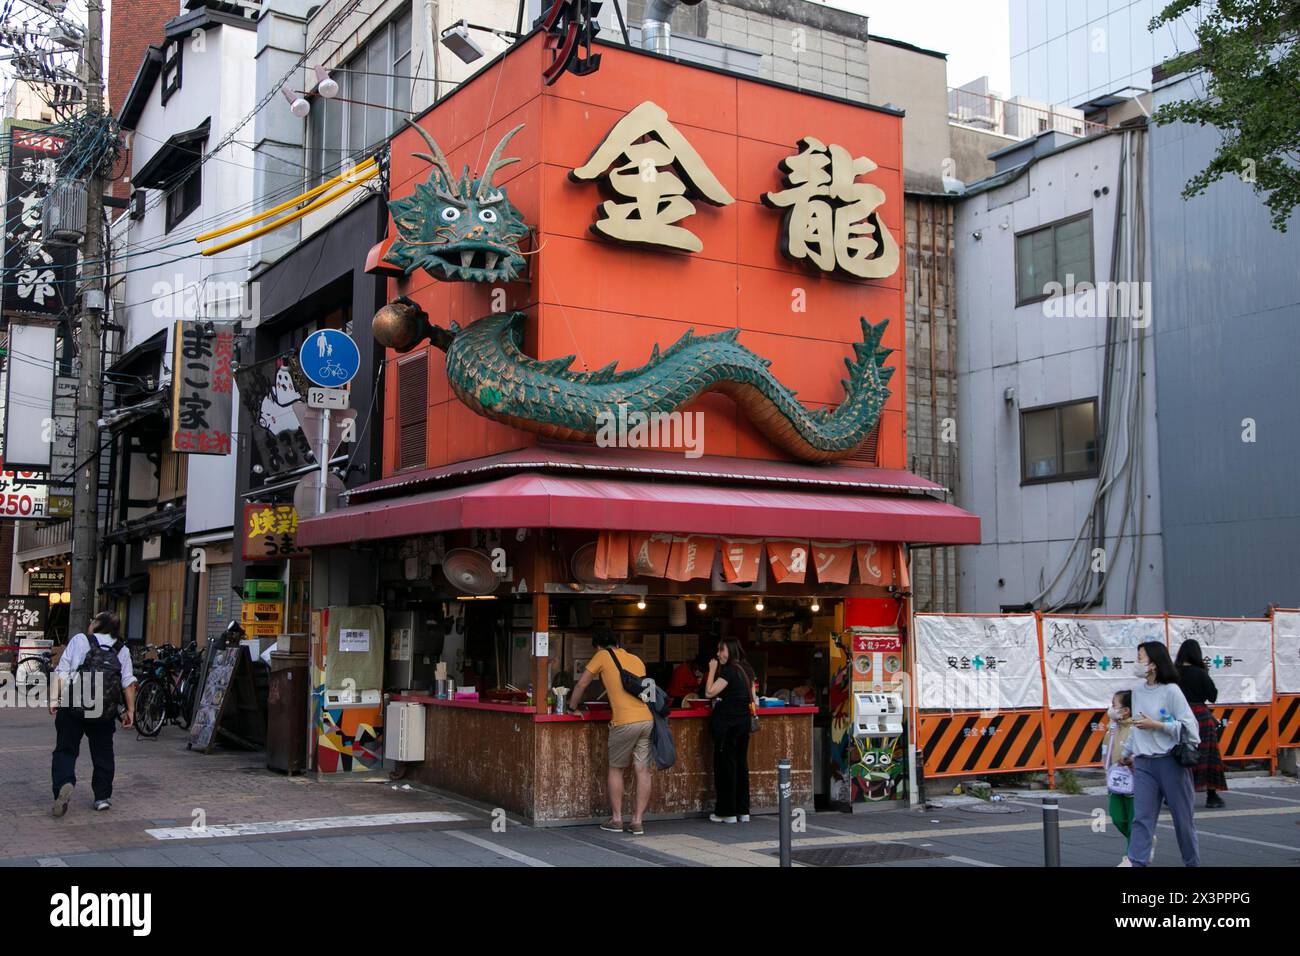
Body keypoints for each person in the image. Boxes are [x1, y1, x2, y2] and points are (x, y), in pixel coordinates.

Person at [1118, 641, 1200, 867]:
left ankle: (1192, 863)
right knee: (1141, 819)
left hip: (1170, 763)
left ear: (1153, 664)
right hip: (1144, 763)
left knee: (1183, 821)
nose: (1137, 662)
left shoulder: (1171, 691)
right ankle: (1137, 862)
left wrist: (1158, 725)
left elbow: (1191, 729)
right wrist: (1126, 753)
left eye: (1140, 658)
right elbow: (1136, 725)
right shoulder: (1137, 692)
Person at [49, 612, 136, 816]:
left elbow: (62, 671)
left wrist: (54, 699)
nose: (90, 623)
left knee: (65, 750)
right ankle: (102, 797)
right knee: (103, 752)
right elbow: (128, 682)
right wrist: (130, 710)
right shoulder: (121, 648)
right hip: (104, 709)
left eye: (93, 620)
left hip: (74, 704)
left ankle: (64, 783)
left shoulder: (80, 640)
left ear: (98, 624)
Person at [568, 630, 653, 835]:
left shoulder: (602, 655)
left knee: (616, 769)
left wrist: (571, 707)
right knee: (642, 770)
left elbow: (582, 683)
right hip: (646, 719)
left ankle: (616, 819)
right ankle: (637, 821)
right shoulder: (635, 658)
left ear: (598, 646)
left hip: (624, 722)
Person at [704, 638, 758, 824]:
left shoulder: (729, 670)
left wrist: (711, 670)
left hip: (727, 725)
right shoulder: (747, 669)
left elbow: (709, 692)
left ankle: (726, 812)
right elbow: (754, 698)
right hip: (743, 723)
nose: (718, 654)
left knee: (726, 767)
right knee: (741, 765)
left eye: (721, 650)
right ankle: (743, 810)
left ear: (731, 650)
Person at [1175, 639, 1227, 809]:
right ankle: (1211, 796)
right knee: (1208, 755)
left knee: (1178, 754)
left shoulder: (1173, 673)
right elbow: (1212, 696)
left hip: (1179, 716)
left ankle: (1173, 793)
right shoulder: (1200, 672)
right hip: (1201, 716)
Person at [1102, 690, 1136, 861]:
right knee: (1117, 818)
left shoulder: (1137, 727)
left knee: (1133, 820)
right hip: (1115, 780)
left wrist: (1132, 761)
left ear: (1126, 710)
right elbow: (1105, 751)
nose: (1111, 708)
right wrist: (1106, 770)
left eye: (1114, 705)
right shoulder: (1112, 728)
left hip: (1134, 781)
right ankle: (1143, 841)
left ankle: (1132, 856)